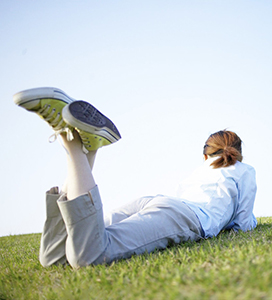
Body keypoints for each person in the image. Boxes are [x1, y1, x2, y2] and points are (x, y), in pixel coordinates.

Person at [13, 87, 257, 269]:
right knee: (89, 255)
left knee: (54, 258)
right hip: (182, 216)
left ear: (205, 155)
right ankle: (72, 142)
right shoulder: (244, 171)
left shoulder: (201, 170)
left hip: (158, 202)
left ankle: (87, 145)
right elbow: (243, 222)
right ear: (239, 155)